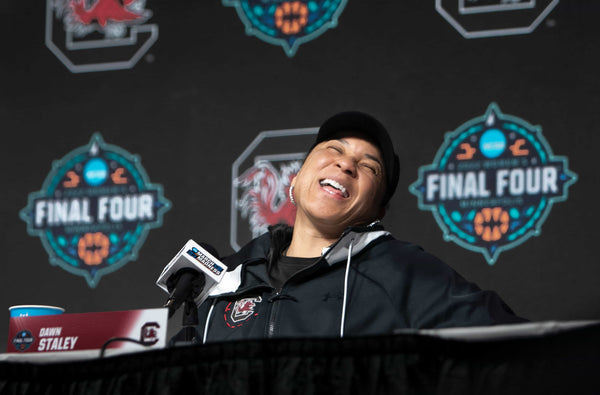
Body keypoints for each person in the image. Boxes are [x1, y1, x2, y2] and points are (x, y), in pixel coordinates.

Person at [179, 111, 526, 345]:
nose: (346, 164)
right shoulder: (224, 279)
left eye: (369, 167)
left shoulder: (400, 270)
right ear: (297, 177)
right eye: (333, 149)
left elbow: (519, 349)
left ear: (377, 209)